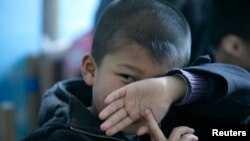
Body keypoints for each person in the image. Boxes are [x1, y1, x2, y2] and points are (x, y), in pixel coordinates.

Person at [24, 0, 250, 141]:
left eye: (158, 82)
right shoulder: (60, 136)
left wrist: (175, 87)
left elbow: (244, 94)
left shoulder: (174, 120)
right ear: (90, 70)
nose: (141, 97)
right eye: (128, 77)